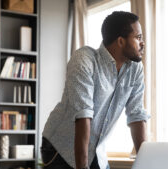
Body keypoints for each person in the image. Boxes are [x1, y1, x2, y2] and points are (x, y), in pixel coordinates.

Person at [41, 11, 149, 169]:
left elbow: (136, 114)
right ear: (120, 41)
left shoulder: (135, 69)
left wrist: (146, 163)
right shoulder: (84, 60)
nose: (142, 43)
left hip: (96, 150)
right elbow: (83, 114)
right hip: (60, 147)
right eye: (138, 37)